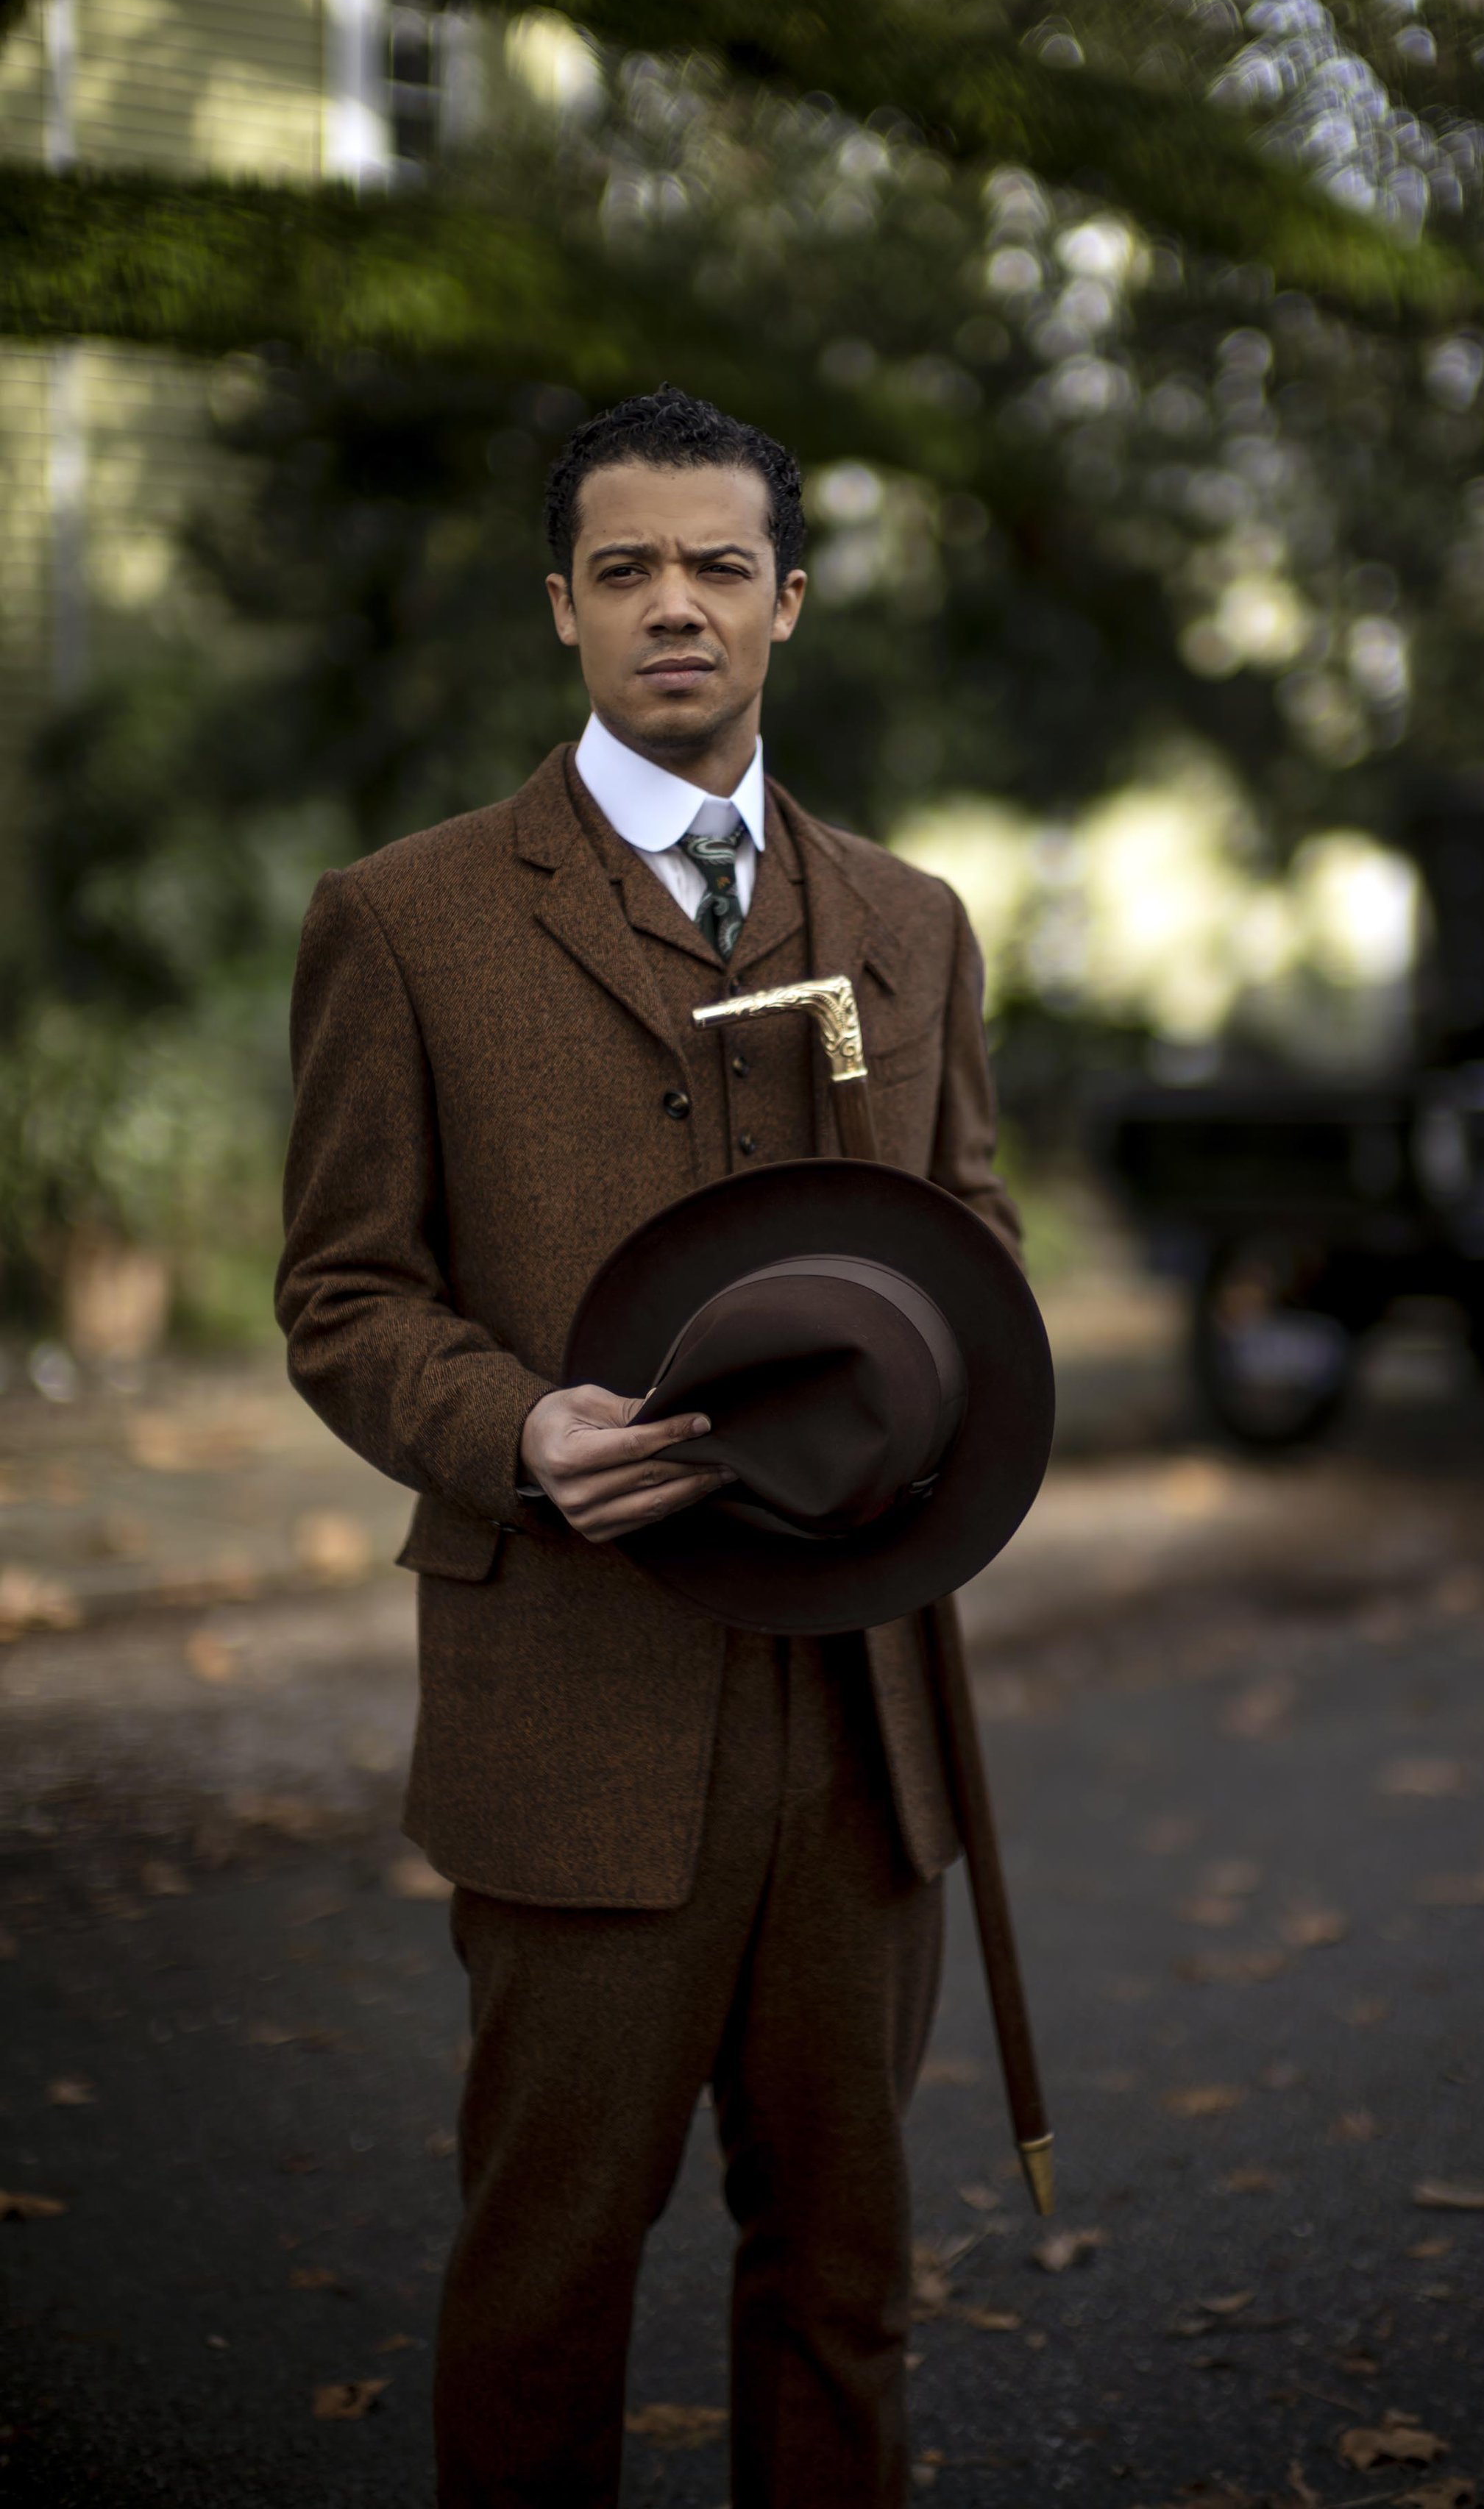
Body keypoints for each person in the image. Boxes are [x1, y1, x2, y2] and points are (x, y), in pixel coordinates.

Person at [276, 386, 1020, 2508]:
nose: (670, 607)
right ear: (562, 611)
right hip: (576, 1707)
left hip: (863, 1720)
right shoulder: (402, 920)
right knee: (544, 2290)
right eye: (625, 571)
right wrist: (514, 1429)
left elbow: (972, 1254)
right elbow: (341, 1297)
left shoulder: (911, 922)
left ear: (787, 603)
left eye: (715, 567)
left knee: (845, 2286)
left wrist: (935, 1393)